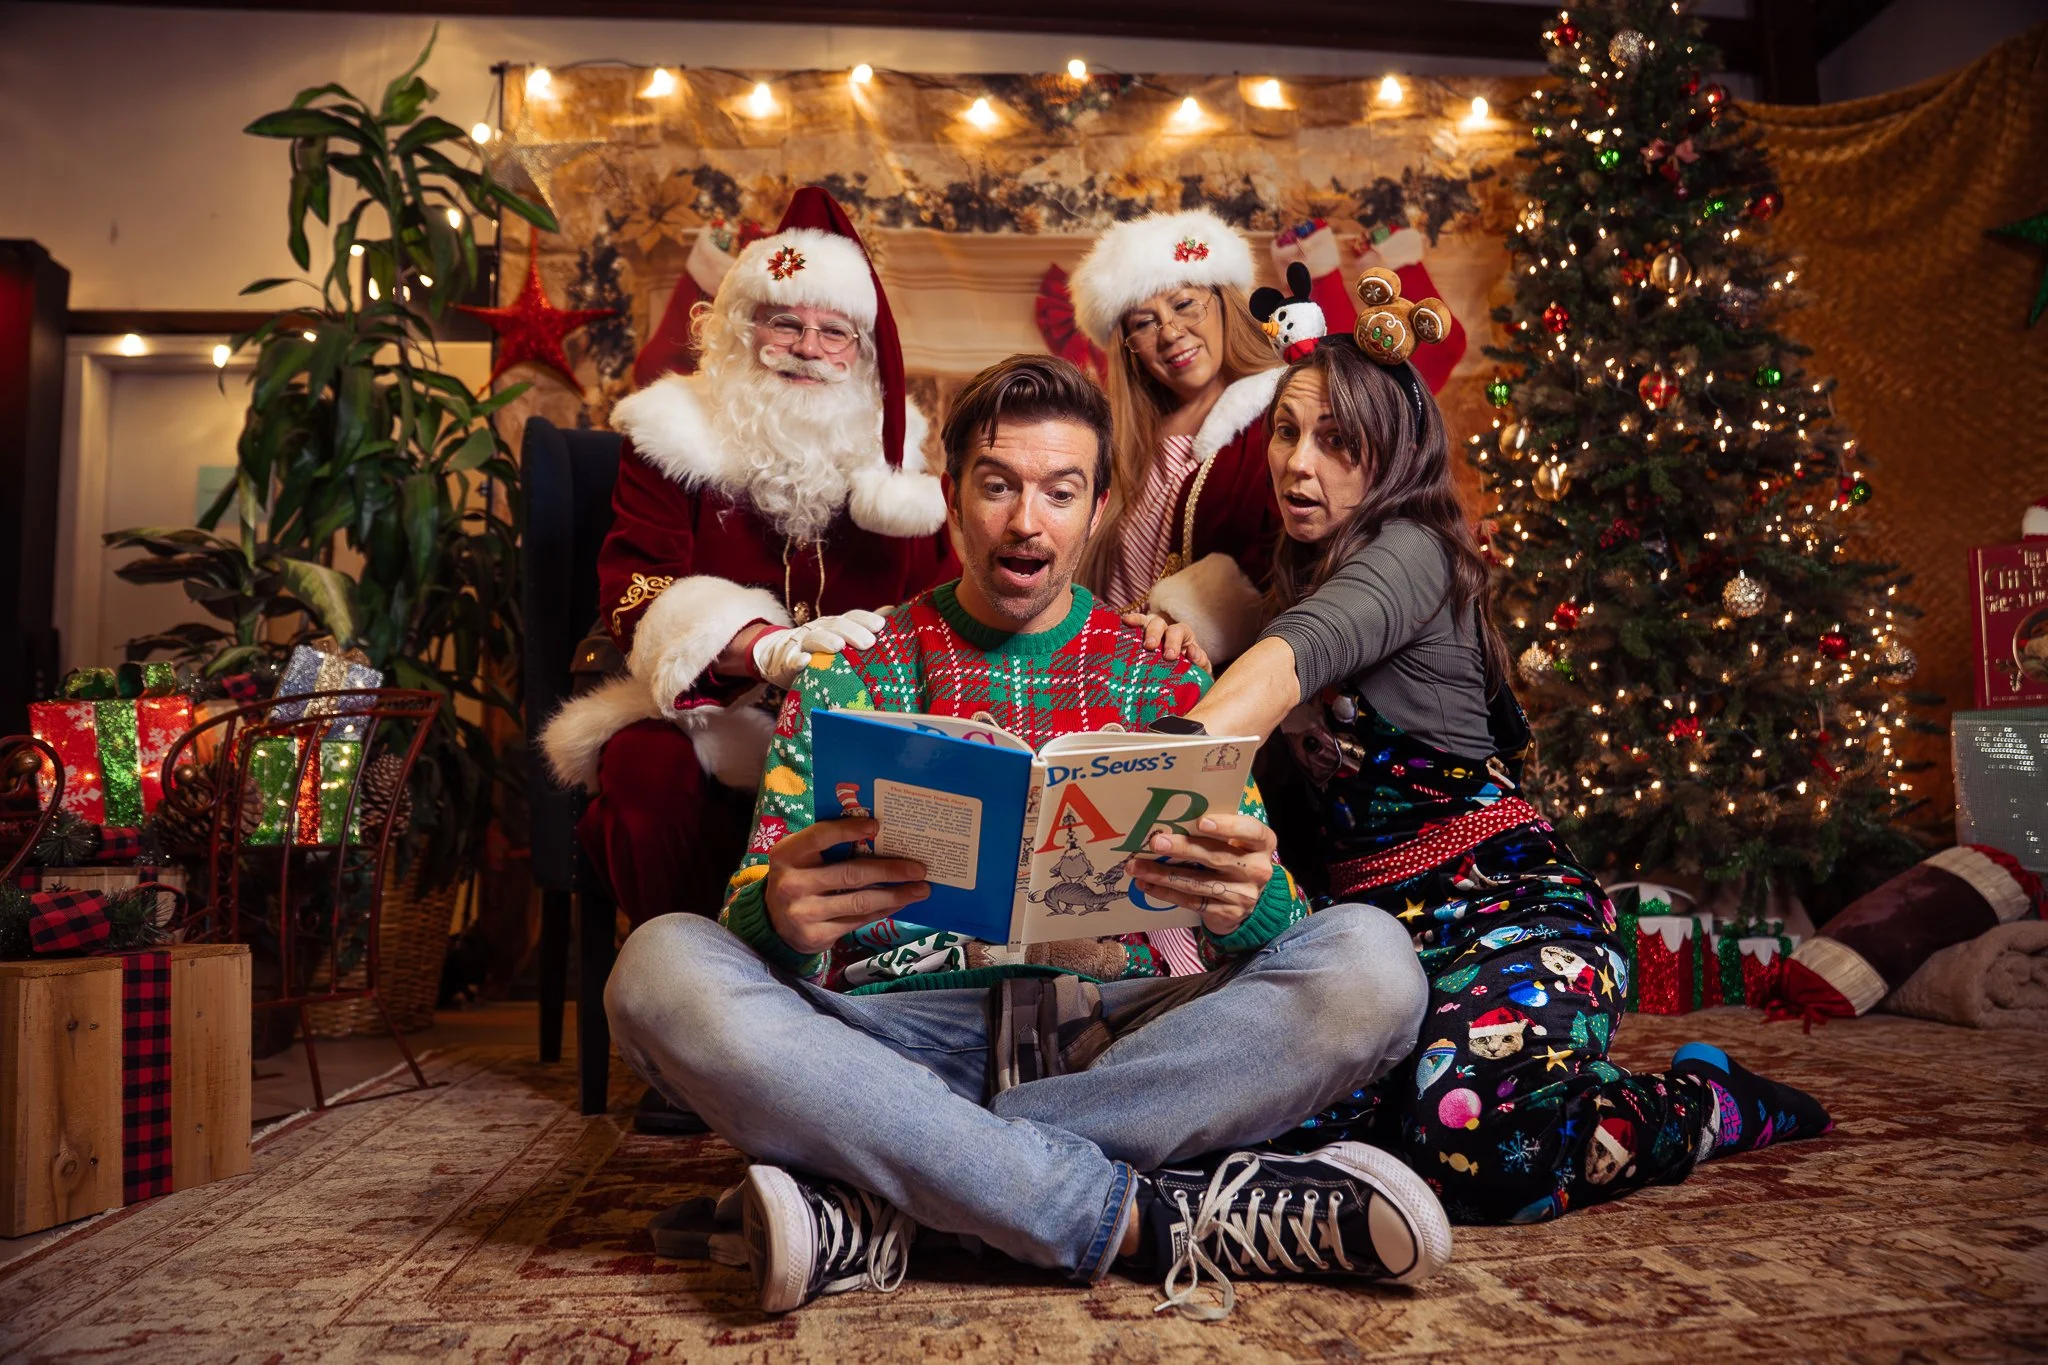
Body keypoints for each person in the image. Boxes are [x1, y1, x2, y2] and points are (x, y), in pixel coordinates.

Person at [604, 354, 1449, 1318]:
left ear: (1097, 510)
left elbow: (1268, 919)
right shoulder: (850, 668)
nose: (1026, 522)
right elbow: (752, 912)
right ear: (953, 498)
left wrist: (1251, 904)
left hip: (1121, 1041)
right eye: (998, 485)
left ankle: (908, 1189)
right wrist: (777, 915)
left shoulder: (1165, 672)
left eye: (1060, 491)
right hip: (889, 1044)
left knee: (1374, 965)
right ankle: (1139, 1215)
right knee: (659, 967)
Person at [1179, 336, 1834, 1224]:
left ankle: (1708, 1101)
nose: (1299, 462)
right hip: (1375, 952)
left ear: (1395, 452)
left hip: (1511, 914)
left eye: (1337, 440)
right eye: (1287, 432)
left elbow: (1291, 659)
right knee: (1270, 1134)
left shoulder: (1413, 550)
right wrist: (1182, 633)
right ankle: (1536, 1075)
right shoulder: (1292, 577)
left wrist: (1161, 769)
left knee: (1476, 1151)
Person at [538, 187, 956, 929]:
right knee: (644, 769)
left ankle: (854, 983)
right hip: (700, 713)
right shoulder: (671, 435)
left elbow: (943, 604)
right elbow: (637, 586)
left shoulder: (897, 460)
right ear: (742, 328)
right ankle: (688, 970)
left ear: (860, 352)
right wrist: (760, 648)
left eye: (834, 332)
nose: (808, 348)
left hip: (858, 721)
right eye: (785, 322)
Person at [1068, 209, 1307, 667]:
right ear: (1130, 350)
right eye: (1144, 322)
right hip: (1102, 662)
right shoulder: (1121, 444)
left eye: (1183, 305)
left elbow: (1287, 556)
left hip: (1202, 673)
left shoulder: (1277, 416)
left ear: (1223, 303)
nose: (1171, 333)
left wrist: (1182, 625)